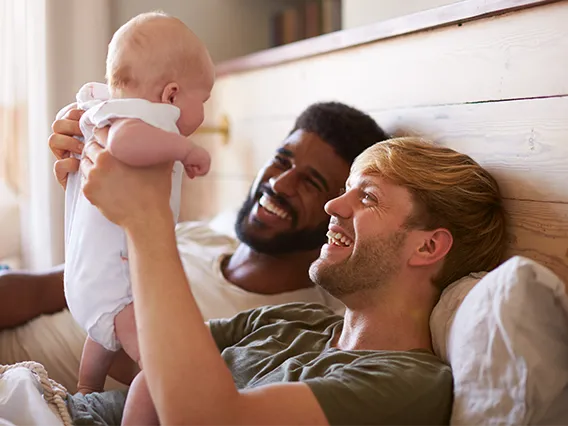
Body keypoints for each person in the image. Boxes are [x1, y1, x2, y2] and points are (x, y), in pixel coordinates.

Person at [67, 136, 507, 425]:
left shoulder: (408, 384)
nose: (334, 205)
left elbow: (207, 417)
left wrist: (148, 223)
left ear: (427, 248)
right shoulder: (299, 320)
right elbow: (153, 364)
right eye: (346, 189)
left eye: (367, 197)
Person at [0, 101, 389, 393]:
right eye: (280, 160)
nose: (280, 184)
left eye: (311, 183)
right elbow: (42, 288)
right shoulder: (195, 237)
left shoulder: (292, 324)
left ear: (338, 211)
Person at [63, 12, 216, 424]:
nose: (203, 115)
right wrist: (184, 151)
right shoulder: (145, 119)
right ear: (170, 95)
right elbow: (127, 142)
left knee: (108, 333)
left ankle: (83, 395)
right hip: (112, 279)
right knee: (159, 367)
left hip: (95, 282)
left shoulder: (106, 107)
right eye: (203, 100)